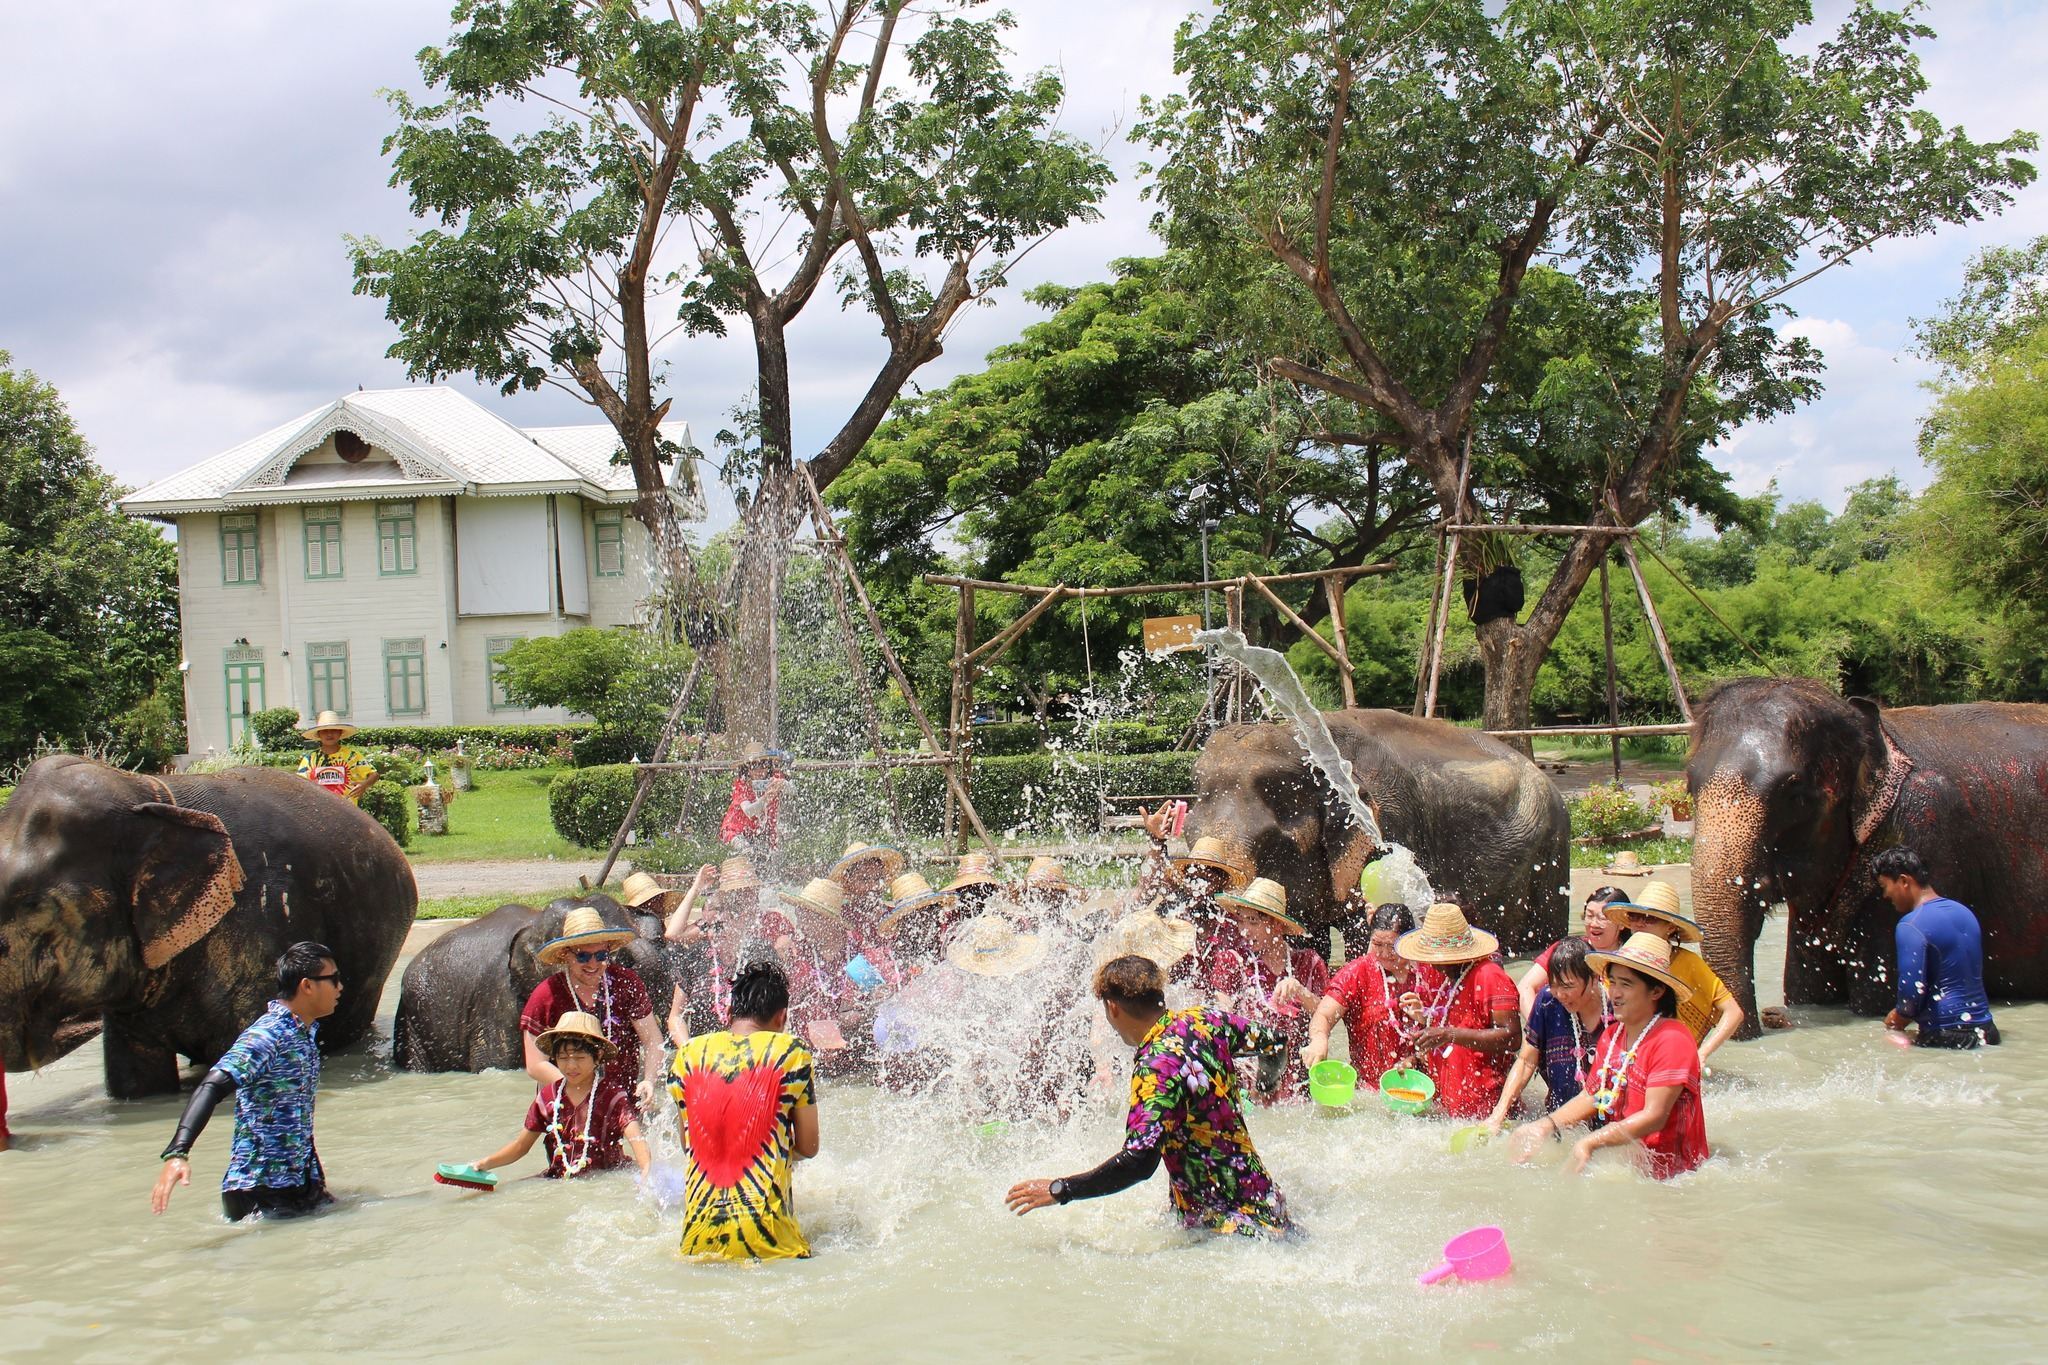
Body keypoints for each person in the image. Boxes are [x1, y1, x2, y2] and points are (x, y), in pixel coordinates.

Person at [1005, 954, 1293, 1239]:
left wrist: (1062, 1190)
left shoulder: (1156, 1068)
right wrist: (1266, 1084)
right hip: (1266, 1203)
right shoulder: (1204, 1021)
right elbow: (1276, 1043)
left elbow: (1139, 1162)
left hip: (1224, 1230)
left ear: (1113, 1008)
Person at [151, 942, 341, 1220]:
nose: (340, 987)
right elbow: (212, 1085)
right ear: (307, 986)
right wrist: (177, 1152)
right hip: (258, 1192)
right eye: (333, 979)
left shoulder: (302, 1033)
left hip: (298, 1185)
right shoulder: (268, 1035)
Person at [1512, 932, 1708, 1179]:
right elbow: (1592, 1095)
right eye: (1612, 982)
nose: (1614, 993)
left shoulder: (1672, 1038)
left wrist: (1591, 1142)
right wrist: (1545, 1125)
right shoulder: (1613, 1035)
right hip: (1629, 1168)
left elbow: (1654, 1116)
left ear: (1656, 991)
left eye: (1626, 985)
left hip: (1677, 1179)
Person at [670, 961, 820, 1260]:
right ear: (782, 1017)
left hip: (696, 1243)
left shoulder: (687, 1056)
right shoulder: (792, 1052)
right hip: (772, 1243)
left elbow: (688, 1144)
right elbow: (809, 1146)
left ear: (729, 1014)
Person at [470, 1012, 651, 1179]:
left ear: (598, 1056)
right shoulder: (547, 1097)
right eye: (563, 1058)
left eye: (580, 1058)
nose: (571, 1066)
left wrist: (646, 1172)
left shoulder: (613, 1097)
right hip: (558, 1178)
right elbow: (521, 1146)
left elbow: (636, 1140)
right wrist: (486, 1163)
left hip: (607, 1176)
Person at [520, 907, 665, 1107]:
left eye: (601, 955)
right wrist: (586, 1093)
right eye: (583, 957)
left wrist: (649, 1079)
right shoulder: (546, 995)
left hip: (622, 1102)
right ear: (565, 955)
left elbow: (652, 1040)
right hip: (567, 1105)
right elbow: (535, 1065)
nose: (593, 964)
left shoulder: (626, 983)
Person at [1203, 877, 1328, 1101]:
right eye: (1241, 921)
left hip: (1298, 1082)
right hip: (1247, 1081)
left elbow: (1326, 1015)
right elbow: (1221, 1015)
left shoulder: (1309, 962)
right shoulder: (1233, 961)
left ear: (1277, 925)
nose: (1244, 930)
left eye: (1253, 921)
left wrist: (1300, 991)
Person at [1396, 902, 1521, 1120]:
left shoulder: (1490, 976)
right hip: (1454, 1111)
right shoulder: (1450, 980)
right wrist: (1418, 1055)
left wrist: (1448, 1035)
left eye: (1438, 959)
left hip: (1488, 1113)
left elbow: (1512, 1038)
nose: (1433, 966)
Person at [1301, 903, 1443, 1083]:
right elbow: (1323, 1014)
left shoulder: (1431, 971)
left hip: (1427, 1088)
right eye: (1377, 944)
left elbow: (1455, 1026)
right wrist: (1319, 1039)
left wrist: (1426, 1019)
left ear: (1408, 939)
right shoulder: (1357, 973)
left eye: (1392, 946)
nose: (1384, 953)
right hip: (1372, 1091)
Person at [1876, 846, 2000, 1048]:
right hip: (1987, 1032)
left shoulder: (1911, 924)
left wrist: (1894, 1022)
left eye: (1885, 886)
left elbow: (1910, 997)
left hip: (1946, 1037)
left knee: (1888, 1041)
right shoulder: (1965, 913)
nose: (1885, 895)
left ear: (1904, 881)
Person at [1613, 881, 1744, 1066]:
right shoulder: (1620, 961)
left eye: (1650, 918)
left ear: (1671, 927)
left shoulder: (1688, 963)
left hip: (1674, 1060)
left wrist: (1702, 1054)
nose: (1640, 923)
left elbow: (1734, 1012)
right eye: (1635, 916)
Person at [1486, 936, 1608, 1135]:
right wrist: (1497, 1115)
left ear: (1594, 977)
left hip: (1609, 1129)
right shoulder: (1547, 1002)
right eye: (1553, 984)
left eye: (1568, 986)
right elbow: (1526, 1061)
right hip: (1558, 1123)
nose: (1560, 994)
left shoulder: (1617, 1012)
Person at [1517, 887, 1626, 1019]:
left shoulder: (1632, 958)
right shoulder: (1567, 949)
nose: (1593, 924)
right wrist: (1539, 1029)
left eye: (1602, 918)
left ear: (1622, 923)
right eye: (1589, 915)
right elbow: (1525, 987)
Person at [293, 711, 377, 805]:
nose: (329, 734)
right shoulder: (310, 759)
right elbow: (300, 782)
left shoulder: (352, 756)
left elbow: (374, 774)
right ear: (319, 734)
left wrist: (364, 785)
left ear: (340, 732)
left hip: (348, 810)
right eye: (325, 731)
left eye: (333, 730)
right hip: (319, 809)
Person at [719, 743, 790, 851]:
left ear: (769, 766)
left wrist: (784, 784)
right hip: (735, 831)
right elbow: (749, 811)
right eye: (754, 766)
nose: (759, 771)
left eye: (763, 764)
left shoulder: (775, 778)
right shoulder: (741, 784)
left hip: (760, 829)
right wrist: (766, 798)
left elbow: (794, 792)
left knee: (773, 854)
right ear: (746, 769)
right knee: (747, 852)